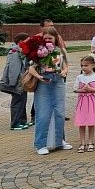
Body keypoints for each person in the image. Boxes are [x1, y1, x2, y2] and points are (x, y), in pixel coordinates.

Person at [27, 27, 71, 155]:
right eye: (45, 38)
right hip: (43, 82)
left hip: (58, 81)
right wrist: (39, 77)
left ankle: (59, 140)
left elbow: (65, 66)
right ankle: (40, 144)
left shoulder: (60, 50)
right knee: (43, 113)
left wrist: (64, 72)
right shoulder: (39, 51)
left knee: (59, 112)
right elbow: (31, 68)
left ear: (55, 38)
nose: (47, 40)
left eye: (50, 38)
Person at [0, 33, 30, 130]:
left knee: (23, 100)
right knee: (17, 102)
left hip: (22, 80)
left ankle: (22, 120)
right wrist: (13, 83)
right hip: (17, 82)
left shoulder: (21, 51)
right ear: (21, 41)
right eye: (27, 41)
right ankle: (15, 123)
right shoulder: (14, 52)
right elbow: (13, 69)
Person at [73, 56, 95, 153]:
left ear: (92, 65)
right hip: (82, 103)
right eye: (82, 66)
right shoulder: (79, 77)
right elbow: (75, 89)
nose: (84, 67)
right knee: (81, 123)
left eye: (86, 65)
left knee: (90, 123)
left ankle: (90, 142)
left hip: (92, 103)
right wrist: (82, 90)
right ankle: (82, 142)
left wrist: (91, 89)